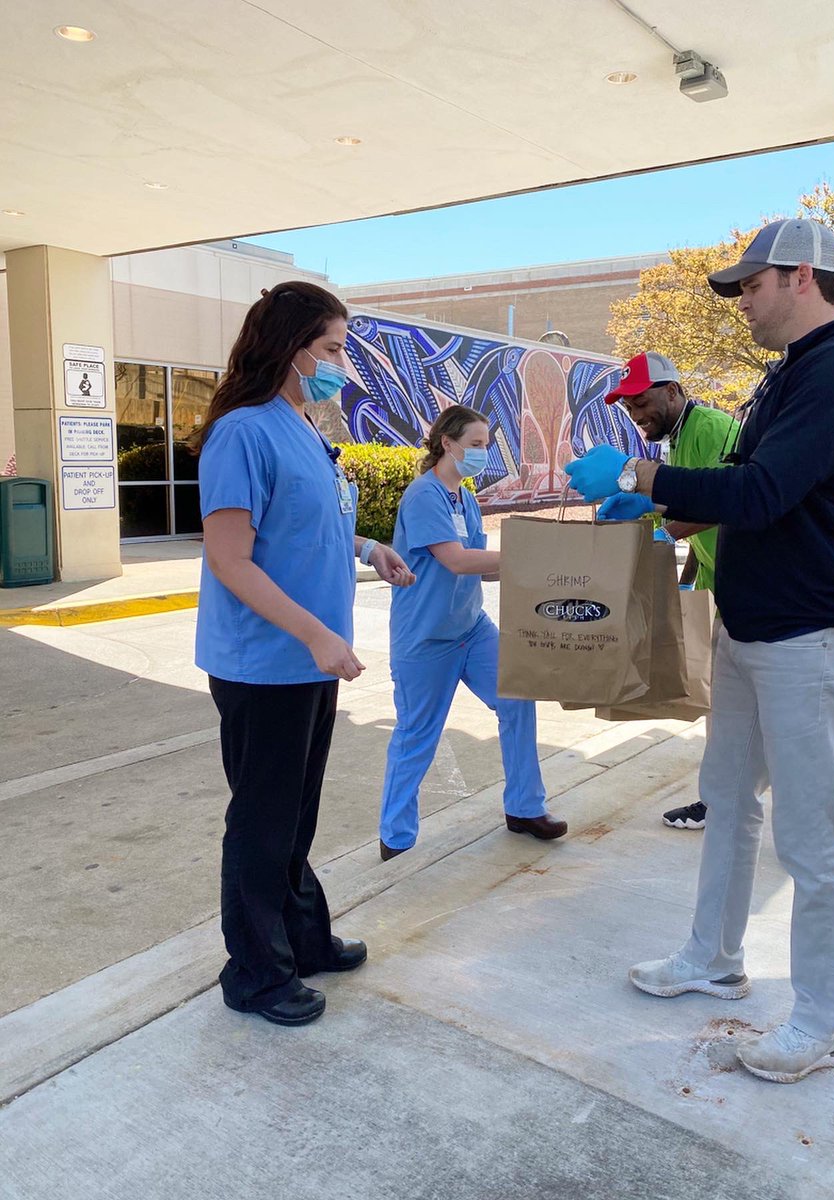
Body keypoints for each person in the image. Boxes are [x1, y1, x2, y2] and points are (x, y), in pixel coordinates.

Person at [565, 219, 834, 1084]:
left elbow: (765, 490)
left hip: (810, 636)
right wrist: (661, 516)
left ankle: (826, 1022)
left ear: (799, 278)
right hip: (756, 629)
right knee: (727, 798)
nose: (742, 302)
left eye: (750, 285)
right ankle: (713, 956)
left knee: (810, 834)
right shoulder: (790, 376)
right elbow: (749, 496)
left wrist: (640, 479)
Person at [194, 281, 415, 1027]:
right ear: (290, 349)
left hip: (310, 664)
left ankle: (301, 939)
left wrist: (367, 546)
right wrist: (316, 633)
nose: (340, 363)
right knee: (263, 820)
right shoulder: (243, 431)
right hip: (266, 664)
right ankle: (255, 975)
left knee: (295, 815)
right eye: (331, 348)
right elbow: (231, 557)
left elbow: (300, 530)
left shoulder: (300, 423)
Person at [378, 404, 566, 860]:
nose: (483, 454)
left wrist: (549, 572)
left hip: (471, 629)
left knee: (518, 699)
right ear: (447, 443)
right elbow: (457, 560)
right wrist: (529, 556)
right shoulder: (424, 496)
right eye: (476, 445)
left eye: (486, 445)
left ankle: (524, 807)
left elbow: (480, 570)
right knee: (418, 734)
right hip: (426, 639)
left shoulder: (464, 497)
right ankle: (396, 840)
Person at [597, 350, 737, 830]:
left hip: (748, 589)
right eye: (628, 406)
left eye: (642, 401)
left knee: (734, 710)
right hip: (722, 586)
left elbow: (729, 501)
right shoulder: (678, 438)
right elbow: (695, 516)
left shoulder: (710, 429)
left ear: (673, 391)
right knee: (726, 708)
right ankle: (721, 800)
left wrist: (666, 532)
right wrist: (683, 586)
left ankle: (724, 804)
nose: (636, 414)